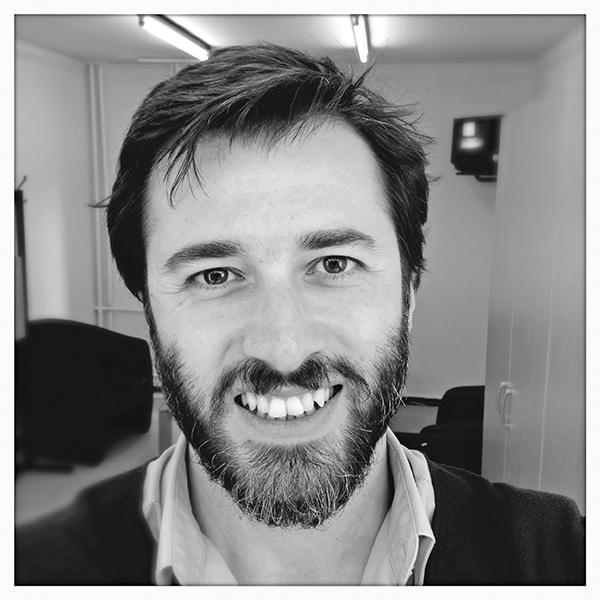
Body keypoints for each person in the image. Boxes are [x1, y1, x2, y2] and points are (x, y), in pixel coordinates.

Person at [16, 43, 584, 585]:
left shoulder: (565, 562)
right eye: (214, 275)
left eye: (334, 264)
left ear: (408, 294)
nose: (283, 348)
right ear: (150, 311)